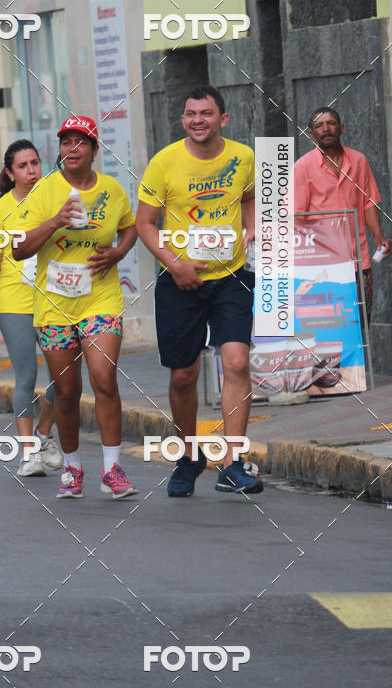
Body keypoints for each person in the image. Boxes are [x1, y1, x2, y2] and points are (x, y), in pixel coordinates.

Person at [136, 87, 263, 496]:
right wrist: (175, 264)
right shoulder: (164, 162)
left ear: (222, 119)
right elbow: (145, 224)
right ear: (183, 120)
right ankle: (189, 456)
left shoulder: (243, 157)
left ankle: (234, 463)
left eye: (206, 113)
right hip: (179, 283)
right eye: (190, 114)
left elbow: (248, 197)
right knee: (183, 374)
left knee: (237, 362)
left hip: (231, 276)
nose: (197, 120)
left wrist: (253, 227)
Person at [13, 115, 139, 499]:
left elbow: (130, 226)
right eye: (66, 143)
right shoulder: (45, 191)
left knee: (104, 379)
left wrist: (118, 252)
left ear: (94, 150)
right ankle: (72, 466)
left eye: (80, 142)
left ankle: (112, 469)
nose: (72, 149)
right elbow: (18, 248)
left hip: (100, 298)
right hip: (54, 305)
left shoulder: (112, 190)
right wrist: (54, 221)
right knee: (66, 392)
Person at [0, 140, 62, 477]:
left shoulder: (52, 199)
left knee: (64, 375)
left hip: (53, 299)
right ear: (10, 174)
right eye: (23, 166)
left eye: (35, 163)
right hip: (13, 303)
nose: (31, 170)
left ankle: (44, 434)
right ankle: (29, 454)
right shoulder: (0, 212)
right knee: (26, 375)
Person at [294, 107, 390, 325]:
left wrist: (378, 235)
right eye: (319, 125)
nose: (325, 129)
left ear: (341, 128)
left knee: (360, 328)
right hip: (321, 266)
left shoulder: (358, 161)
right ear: (311, 134)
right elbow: (294, 217)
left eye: (331, 123)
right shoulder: (302, 167)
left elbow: (367, 201)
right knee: (328, 329)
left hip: (358, 261)